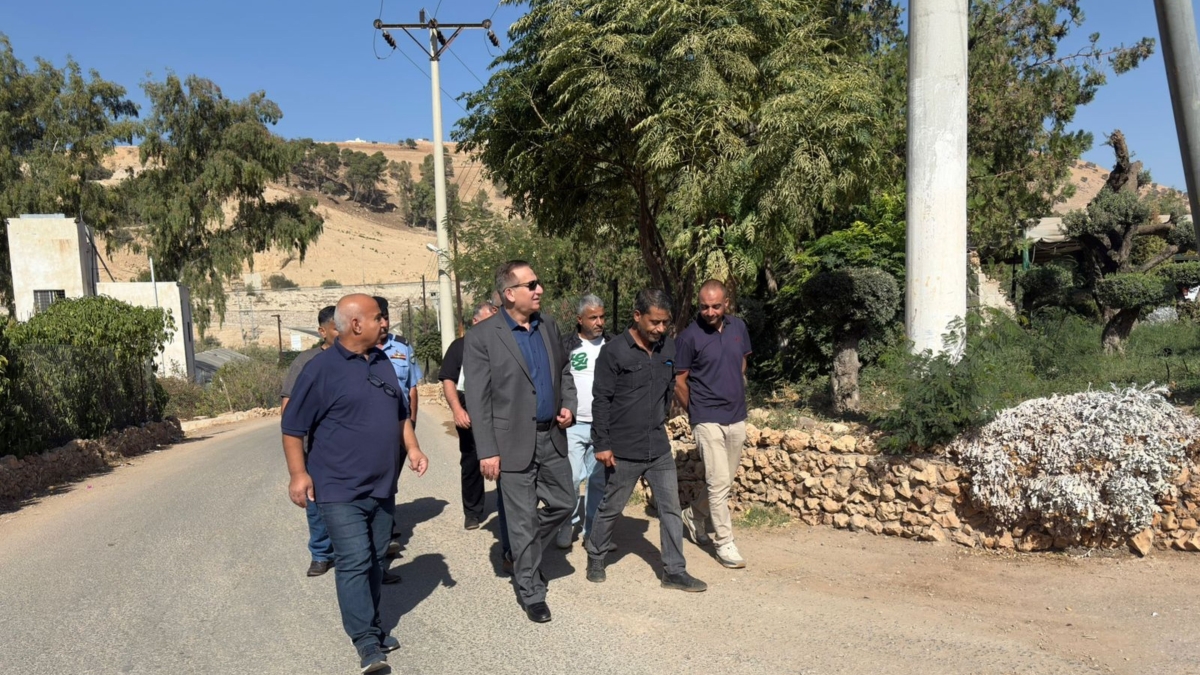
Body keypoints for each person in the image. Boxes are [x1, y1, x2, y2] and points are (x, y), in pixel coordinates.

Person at [281, 294, 429, 673]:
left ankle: (374, 627)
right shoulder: (319, 370)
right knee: (355, 559)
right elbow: (293, 427)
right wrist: (298, 474)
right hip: (337, 487)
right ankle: (365, 641)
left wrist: (413, 448)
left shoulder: (382, 361)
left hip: (382, 485)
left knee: (377, 557)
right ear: (357, 324)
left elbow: (400, 414)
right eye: (379, 318)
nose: (385, 323)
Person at [464, 260, 576, 623]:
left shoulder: (548, 326)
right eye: (532, 285)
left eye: (538, 283)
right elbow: (478, 398)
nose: (539, 289)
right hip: (510, 443)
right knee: (523, 520)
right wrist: (487, 450)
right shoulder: (482, 337)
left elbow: (563, 370)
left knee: (565, 502)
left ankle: (519, 548)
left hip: (551, 437)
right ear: (510, 294)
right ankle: (531, 591)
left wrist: (568, 405)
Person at [585, 289, 706, 592]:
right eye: (654, 322)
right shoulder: (613, 352)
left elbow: (670, 388)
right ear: (637, 316)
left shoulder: (668, 348)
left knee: (670, 509)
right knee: (612, 507)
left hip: (658, 446)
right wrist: (602, 444)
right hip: (623, 449)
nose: (660, 329)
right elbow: (601, 400)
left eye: (665, 323)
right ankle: (596, 555)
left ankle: (674, 571)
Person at [675, 279, 753, 569]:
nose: (709, 312)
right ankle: (724, 542)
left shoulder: (739, 327)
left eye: (716, 306)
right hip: (706, 418)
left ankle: (694, 514)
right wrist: (696, 411)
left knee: (725, 481)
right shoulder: (689, 337)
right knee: (718, 481)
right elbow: (679, 381)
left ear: (726, 304)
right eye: (704, 307)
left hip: (736, 415)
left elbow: (742, 361)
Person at [279, 305, 338, 577]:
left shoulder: (360, 356)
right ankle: (321, 553)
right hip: (314, 447)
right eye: (335, 328)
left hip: (348, 447)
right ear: (322, 331)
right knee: (316, 501)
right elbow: (289, 407)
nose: (341, 333)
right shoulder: (307, 361)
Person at [555, 293, 613, 549]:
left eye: (602, 316)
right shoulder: (566, 346)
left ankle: (592, 532)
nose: (599, 322)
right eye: (593, 317)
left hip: (603, 426)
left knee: (598, 480)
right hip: (574, 424)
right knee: (571, 478)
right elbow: (557, 379)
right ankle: (566, 525)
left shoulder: (612, 344)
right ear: (580, 319)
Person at [438, 300, 500, 531]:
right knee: (472, 461)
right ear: (475, 321)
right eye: (488, 320)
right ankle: (473, 512)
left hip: (499, 411)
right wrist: (457, 409)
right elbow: (448, 380)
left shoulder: (502, 344)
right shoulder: (459, 347)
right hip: (470, 413)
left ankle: (508, 507)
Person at [374, 296, 422, 426]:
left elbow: (412, 387)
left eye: (386, 318)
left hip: (401, 420)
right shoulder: (361, 350)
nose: (384, 324)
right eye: (379, 319)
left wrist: (412, 421)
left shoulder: (403, 346)